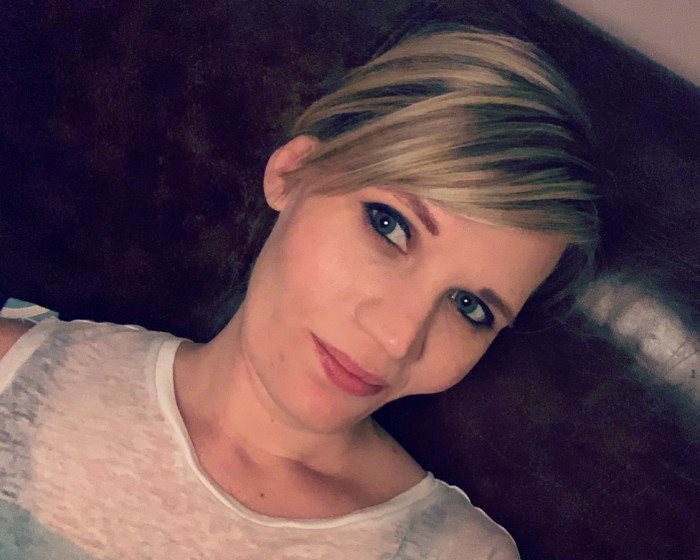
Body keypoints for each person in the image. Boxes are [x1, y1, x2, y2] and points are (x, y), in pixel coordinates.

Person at [0, 25, 598, 559]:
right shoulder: (16, 367)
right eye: (389, 226)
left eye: (470, 307)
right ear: (291, 173)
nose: (397, 338)